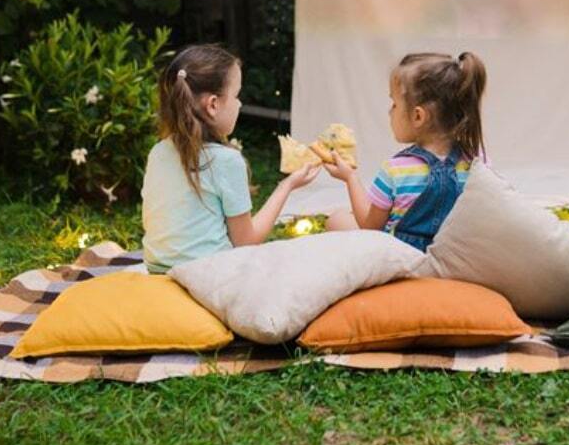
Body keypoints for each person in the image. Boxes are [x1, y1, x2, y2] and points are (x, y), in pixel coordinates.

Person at [140, 44, 318, 273]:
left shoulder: (158, 152)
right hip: (208, 275)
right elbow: (246, 242)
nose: (239, 104)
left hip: (156, 270)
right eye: (236, 95)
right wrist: (287, 186)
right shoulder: (227, 161)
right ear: (213, 105)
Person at [324, 52, 487, 251]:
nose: (389, 111)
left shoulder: (396, 170)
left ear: (418, 116)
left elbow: (370, 227)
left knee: (337, 219)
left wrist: (350, 178)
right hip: (453, 255)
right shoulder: (477, 161)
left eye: (394, 104)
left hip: (401, 258)